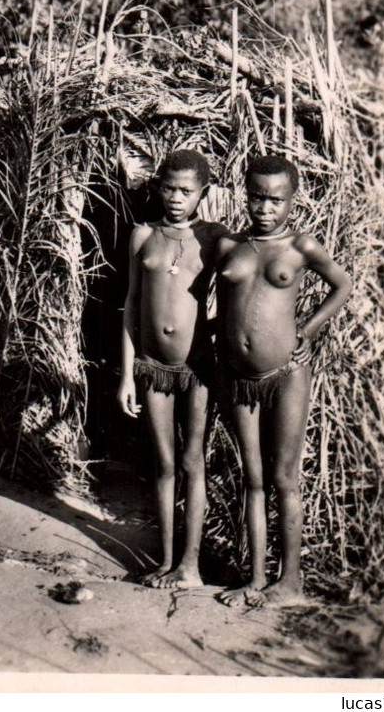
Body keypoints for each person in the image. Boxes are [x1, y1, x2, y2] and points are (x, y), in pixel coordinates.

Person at [214, 154, 352, 607]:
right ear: (245, 194)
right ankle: (255, 580)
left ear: (292, 200)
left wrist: (307, 332)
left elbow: (342, 285)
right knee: (252, 477)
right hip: (239, 376)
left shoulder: (301, 246)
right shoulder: (229, 247)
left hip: (287, 374)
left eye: (275, 200)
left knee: (284, 477)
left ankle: (289, 582)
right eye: (256, 197)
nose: (265, 208)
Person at [118, 149, 227, 589]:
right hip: (151, 366)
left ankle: (191, 566)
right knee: (163, 463)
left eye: (186, 191)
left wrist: (223, 328)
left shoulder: (213, 237)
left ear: (203, 193)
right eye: (169, 188)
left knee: (191, 459)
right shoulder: (143, 235)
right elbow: (130, 304)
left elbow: (247, 275)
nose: (176, 198)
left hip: (196, 366)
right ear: (157, 186)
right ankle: (165, 561)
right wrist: (127, 374)